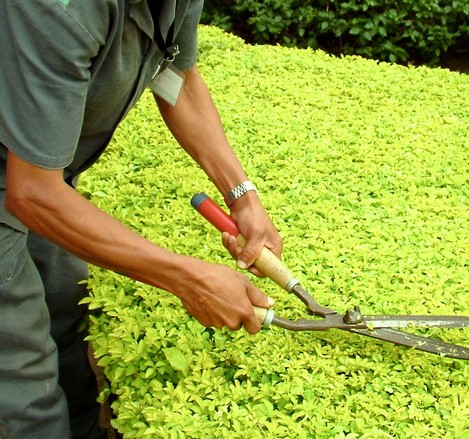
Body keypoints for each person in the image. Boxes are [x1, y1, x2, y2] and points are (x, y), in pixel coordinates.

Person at [0, 0, 283, 437]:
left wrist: (242, 196)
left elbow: (177, 80)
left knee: (64, 315)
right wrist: (187, 278)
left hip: (39, 168)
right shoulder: (59, 9)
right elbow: (33, 192)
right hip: (29, 179)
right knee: (24, 380)